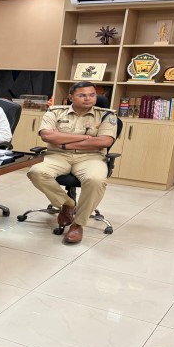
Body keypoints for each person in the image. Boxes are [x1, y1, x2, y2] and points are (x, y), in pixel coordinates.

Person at [27, 81, 117, 244]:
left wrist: (63, 141)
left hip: (91, 157)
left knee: (95, 180)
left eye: (92, 95)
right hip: (57, 155)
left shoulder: (106, 115)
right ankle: (67, 204)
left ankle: (77, 224)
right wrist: (86, 137)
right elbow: (47, 136)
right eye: (82, 95)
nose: (88, 98)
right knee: (36, 172)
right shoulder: (55, 112)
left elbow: (104, 141)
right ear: (70, 97)